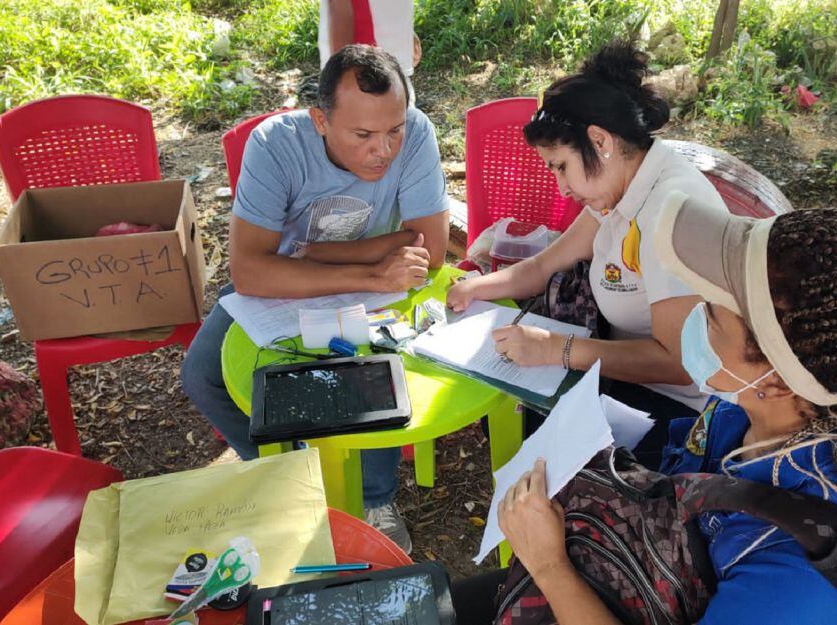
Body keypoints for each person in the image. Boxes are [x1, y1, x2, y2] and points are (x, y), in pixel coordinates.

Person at [453, 206, 837, 624]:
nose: (692, 317)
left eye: (714, 315)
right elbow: (682, 461)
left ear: (775, 379)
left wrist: (549, 565)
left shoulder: (804, 573)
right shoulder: (748, 412)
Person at [181, 44, 449, 553]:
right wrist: (368, 269)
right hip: (297, 285)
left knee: (372, 373)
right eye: (363, 135)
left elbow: (429, 250)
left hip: (343, 279)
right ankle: (287, 475)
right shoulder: (275, 144)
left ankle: (374, 499)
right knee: (202, 374)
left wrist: (319, 255)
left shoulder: (416, 132)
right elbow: (249, 271)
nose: (384, 150)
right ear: (320, 120)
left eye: (393, 130)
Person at [446, 43, 729, 461]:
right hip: (621, 376)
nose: (561, 187)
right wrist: (476, 287)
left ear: (599, 141)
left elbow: (678, 364)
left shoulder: (672, 211)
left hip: (683, 412)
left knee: (538, 431)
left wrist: (554, 348)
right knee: (514, 405)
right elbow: (547, 262)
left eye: (561, 166)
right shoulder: (622, 187)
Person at [320, 0, 421, 103]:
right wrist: (341, 77)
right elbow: (340, 8)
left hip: (387, 67)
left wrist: (408, 33)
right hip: (362, 71)